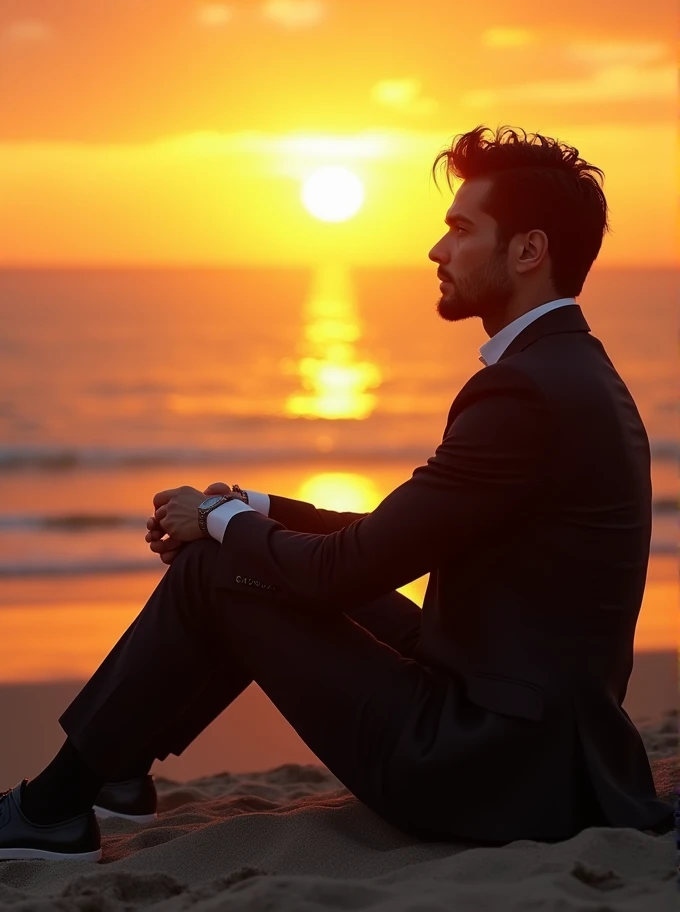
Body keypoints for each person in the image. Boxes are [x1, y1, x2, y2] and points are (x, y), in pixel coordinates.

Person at [0, 125, 672, 862]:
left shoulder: (523, 393)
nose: (436, 250)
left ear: (527, 251)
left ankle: (57, 806)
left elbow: (343, 571)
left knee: (219, 568)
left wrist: (219, 521)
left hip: (486, 768)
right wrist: (254, 508)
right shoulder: (572, 370)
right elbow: (394, 535)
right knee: (236, 553)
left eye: (459, 228)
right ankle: (113, 774)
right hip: (530, 728)